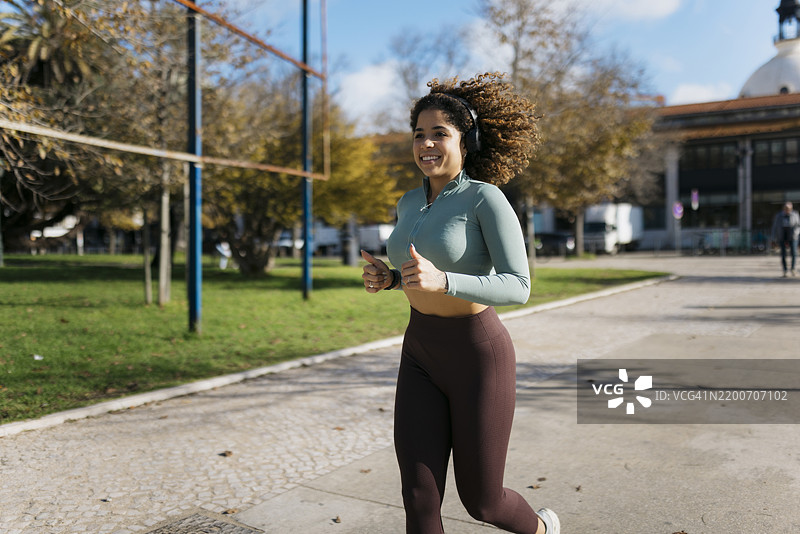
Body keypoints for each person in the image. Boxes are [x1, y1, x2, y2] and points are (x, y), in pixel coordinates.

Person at [361, 72, 560, 534]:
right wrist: (390, 279)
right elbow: (417, 276)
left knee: (483, 502)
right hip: (420, 353)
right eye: (418, 134)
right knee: (419, 496)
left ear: (465, 142)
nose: (426, 144)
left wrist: (445, 280)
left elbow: (518, 285)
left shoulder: (485, 199)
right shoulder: (408, 201)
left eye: (439, 134)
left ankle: (542, 528)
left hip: (477, 355)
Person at [770, 201, 800, 277]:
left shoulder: (795, 215)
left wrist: (796, 233)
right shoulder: (779, 216)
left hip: (793, 237)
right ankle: (785, 270)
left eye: (789, 208)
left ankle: (793, 269)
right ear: (784, 208)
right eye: (786, 208)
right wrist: (773, 238)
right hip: (782, 236)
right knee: (783, 254)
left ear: (791, 208)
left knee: (794, 253)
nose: (787, 209)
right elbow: (775, 227)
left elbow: (798, 226)